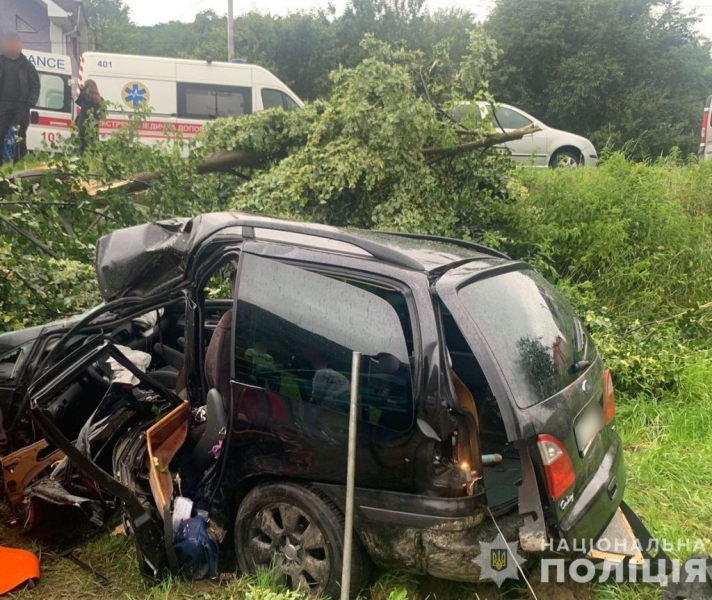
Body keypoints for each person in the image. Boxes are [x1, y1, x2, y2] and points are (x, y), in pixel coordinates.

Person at [0, 33, 40, 164]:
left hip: (20, 105)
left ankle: (19, 161)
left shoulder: (27, 65)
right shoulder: (1, 62)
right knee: (1, 132)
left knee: (20, 135)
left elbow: (35, 86)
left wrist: (29, 102)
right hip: (3, 104)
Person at [75, 79, 103, 154]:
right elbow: (102, 111)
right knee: (93, 141)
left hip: (83, 122)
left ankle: (81, 156)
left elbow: (77, 102)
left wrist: (81, 90)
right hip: (94, 124)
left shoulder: (84, 95)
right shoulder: (100, 99)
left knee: (82, 142)